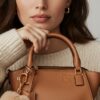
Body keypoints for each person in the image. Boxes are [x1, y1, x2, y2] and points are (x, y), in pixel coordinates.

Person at [0, 0, 100, 100]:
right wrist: (9, 45)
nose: (41, 4)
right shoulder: (4, 56)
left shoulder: (96, 55)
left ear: (68, 1)